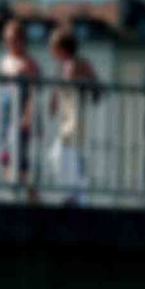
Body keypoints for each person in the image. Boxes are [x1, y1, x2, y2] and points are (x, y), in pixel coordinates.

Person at [48, 26, 98, 206]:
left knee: (65, 153)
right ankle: (73, 194)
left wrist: (84, 84)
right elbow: (58, 88)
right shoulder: (62, 66)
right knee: (60, 155)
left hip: (77, 115)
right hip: (67, 115)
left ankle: (76, 196)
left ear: (61, 48)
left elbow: (94, 83)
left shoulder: (78, 63)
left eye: (52, 47)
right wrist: (53, 102)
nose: (50, 51)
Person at [0, 19, 40, 202]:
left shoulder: (28, 63)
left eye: (14, 39)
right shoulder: (5, 61)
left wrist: (28, 115)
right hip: (6, 111)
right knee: (5, 156)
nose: (11, 44)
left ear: (22, 40)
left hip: (20, 112)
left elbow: (34, 91)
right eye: (8, 40)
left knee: (21, 162)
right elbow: (1, 91)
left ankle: (32, 200)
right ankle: (11, 195)